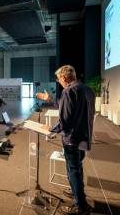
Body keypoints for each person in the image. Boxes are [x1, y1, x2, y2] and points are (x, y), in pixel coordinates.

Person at [36, 65, 95, 215]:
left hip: (72, 139)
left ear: (63, 77)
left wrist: (52, 129)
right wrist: (49, 99)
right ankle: (77, 192)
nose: (58, 81)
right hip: (84, 136)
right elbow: (68, 107)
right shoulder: (87, 90)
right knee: (78, 166)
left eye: (58, 79)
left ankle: (81, 206)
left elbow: (65, 120)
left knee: (73, 170)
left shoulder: (69, 91)